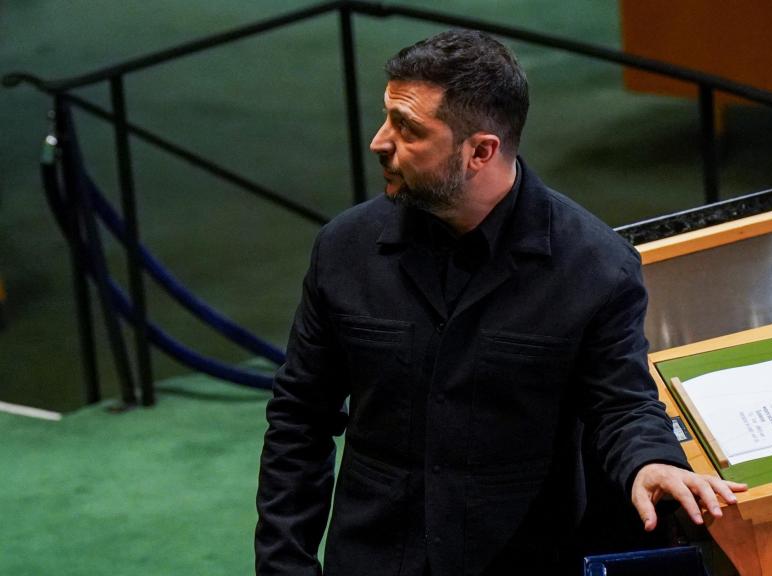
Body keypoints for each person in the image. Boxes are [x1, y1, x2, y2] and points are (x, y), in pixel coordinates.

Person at [255, 29, 746, 576]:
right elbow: (300, 418)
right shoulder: (343, 250)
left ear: (480, 152)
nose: (380, 141)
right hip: (374, 558)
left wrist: (650, 461)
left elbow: (621, 404)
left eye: (408, 129)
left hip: (520, 561)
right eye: (388, 116)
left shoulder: (594, 265)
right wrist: (285, 566)